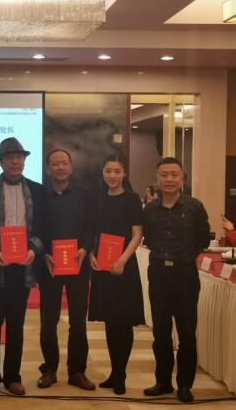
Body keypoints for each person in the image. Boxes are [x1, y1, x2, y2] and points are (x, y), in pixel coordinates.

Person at [0, 137, 45, 396]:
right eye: (10, 157)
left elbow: (43, 227)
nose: (15, 161)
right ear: (1, 162)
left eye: (19, 157)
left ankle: (13, 377)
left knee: (16, 325)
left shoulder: (37, 190)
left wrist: (34, 249)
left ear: (24, 160)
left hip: (22, 267)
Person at [143, 157, 210, 403]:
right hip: (158, 274)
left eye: (174, 175)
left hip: (185, 275)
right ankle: (163, 381)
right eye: (164, 175)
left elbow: (203, 237)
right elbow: (148, 238)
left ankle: (184, 385)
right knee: (161, 332)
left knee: (186, 333)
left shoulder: (195, 207)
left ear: (183, 178)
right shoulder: (150, 209)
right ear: (157, 179)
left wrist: (185, 256)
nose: (169, 179)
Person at [36, 149, 95, 391]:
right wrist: (43, 253)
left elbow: (91, 227)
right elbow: (34, 228)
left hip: (77, 264)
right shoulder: (39, 196)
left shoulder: (84, 195)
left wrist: (85, 248)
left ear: (71, 167)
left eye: (64, 163)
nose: (60, 167)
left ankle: (77, 371)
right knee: (48, 321)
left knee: (78, 321)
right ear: (48, 169)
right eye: (55, 164)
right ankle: (49, 369)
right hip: (49, 265)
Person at [88, 154, 145, 395]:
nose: (112, 175)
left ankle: (121, 374)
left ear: (124, 174)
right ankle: (113, 372)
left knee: (123, 321)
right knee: (110, 322)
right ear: (102, 172)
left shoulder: (132, 199)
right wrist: (90, 253)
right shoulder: (96, 198)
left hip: (124, 267)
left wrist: (122, 259)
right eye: (108, 171)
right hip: (102, 267)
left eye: (117, 171)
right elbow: (91, 231)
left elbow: (137, 235)